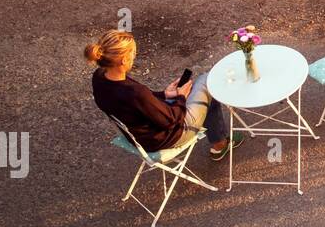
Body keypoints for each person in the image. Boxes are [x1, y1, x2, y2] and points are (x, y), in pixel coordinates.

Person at [86, 30, 241, 160]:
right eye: (133, 53)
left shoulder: (100, 77)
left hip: (140, 136)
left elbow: (141, 104)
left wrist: (165, 94)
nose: (134, 56)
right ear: (124, 59)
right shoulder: (134, 93)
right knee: (206, 80)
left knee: (202, 93)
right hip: (168, 136)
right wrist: (181, 97)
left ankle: (219, 142)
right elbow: (171, 121)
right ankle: (219, 143)